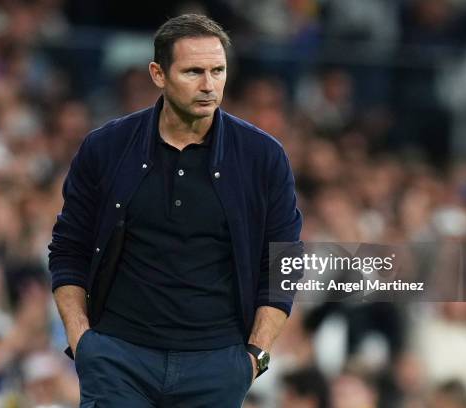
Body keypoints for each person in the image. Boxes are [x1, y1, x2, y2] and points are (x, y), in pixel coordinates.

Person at [49, 14, 303, 407]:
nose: (208, 85)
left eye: (218, 71)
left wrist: (254, 356)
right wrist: (82, 340)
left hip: (217, 365)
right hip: (118, 360)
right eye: (193, 72)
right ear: (158, 73)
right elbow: (68, 248)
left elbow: (284, 263)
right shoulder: (106, 147)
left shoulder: (263, 157)